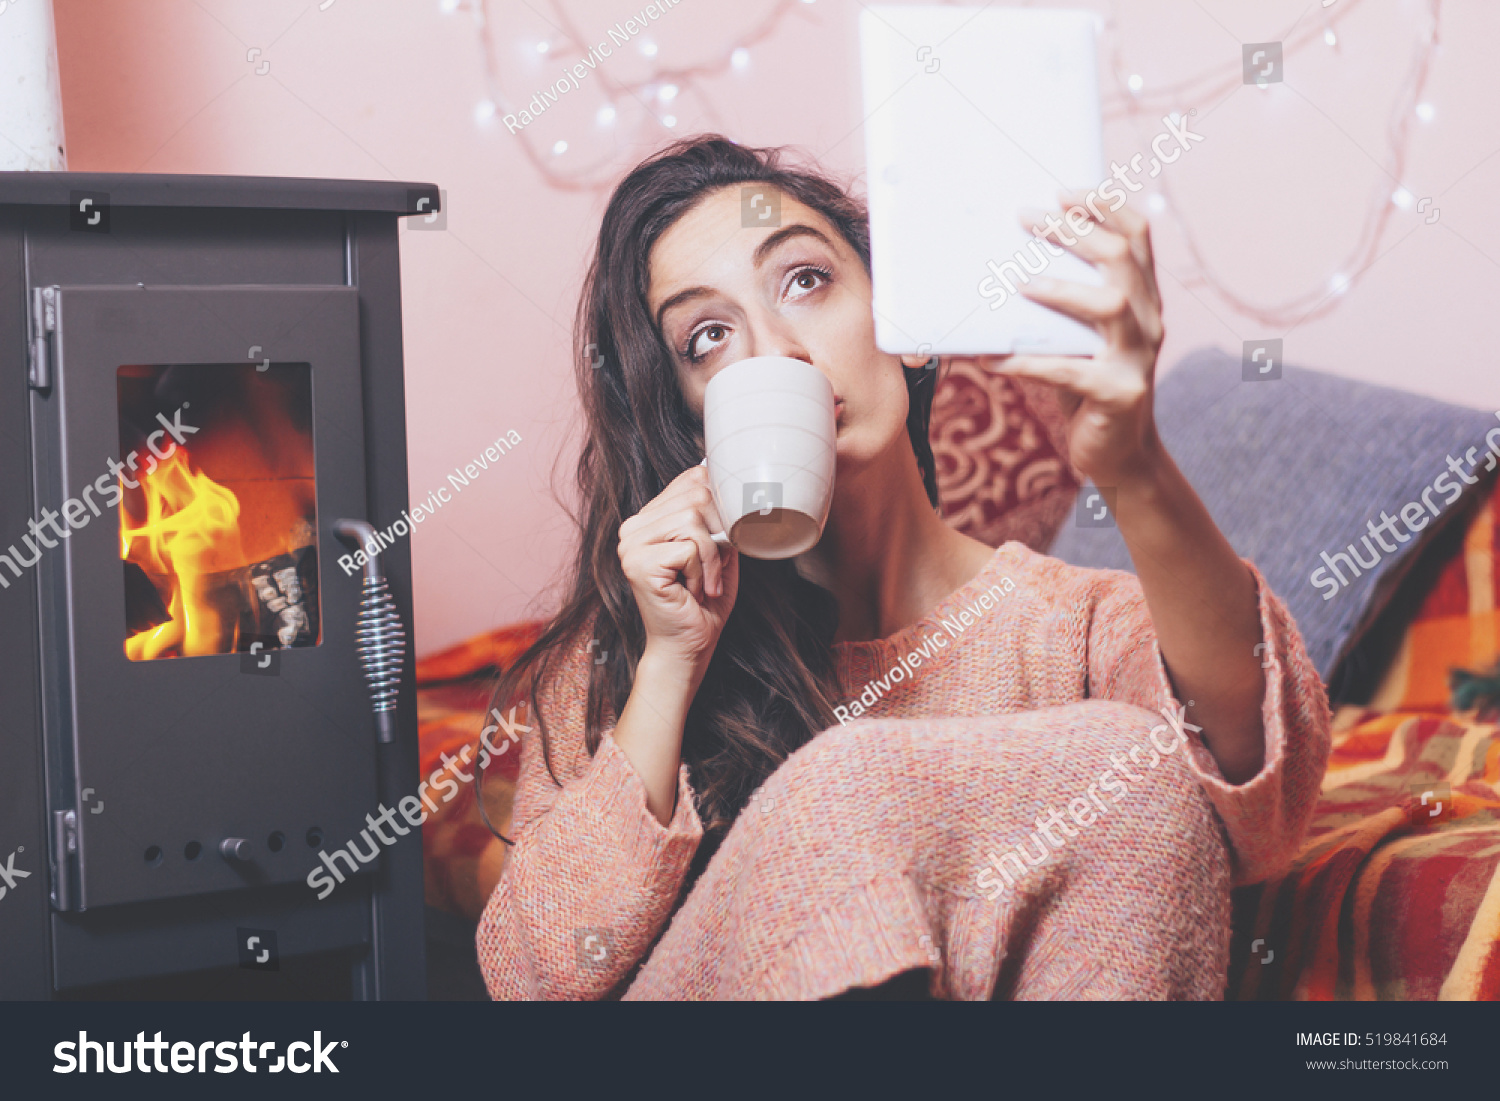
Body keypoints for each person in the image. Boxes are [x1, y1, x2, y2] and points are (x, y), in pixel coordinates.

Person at [475, 135, 1332, 1000]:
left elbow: (1259, 801)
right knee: (854, 778)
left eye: (805, 281)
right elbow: (534, 981)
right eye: (707, 337)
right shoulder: (628, 646)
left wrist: (1137, 465)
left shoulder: (1066, 624)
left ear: (908, 327)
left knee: (1142, 764)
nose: (776, 351)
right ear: (691, 424)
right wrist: (670, 663)